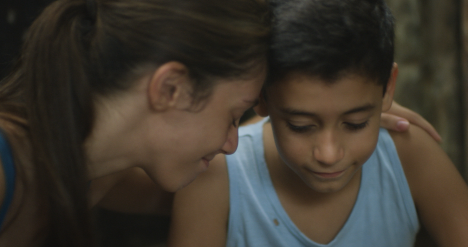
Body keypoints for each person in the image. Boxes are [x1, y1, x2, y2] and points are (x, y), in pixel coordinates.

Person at [167, 0, 468, 246]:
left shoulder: (408, 153)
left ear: (388, 88)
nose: (328, 154)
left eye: (356, 123)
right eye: (300, 126)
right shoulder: (217, 176)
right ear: (261, 96)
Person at [0, 0, 270, 246]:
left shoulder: (96, 172)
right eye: (233, 117)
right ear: (170, 89)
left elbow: (239, 189)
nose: (231, 145)